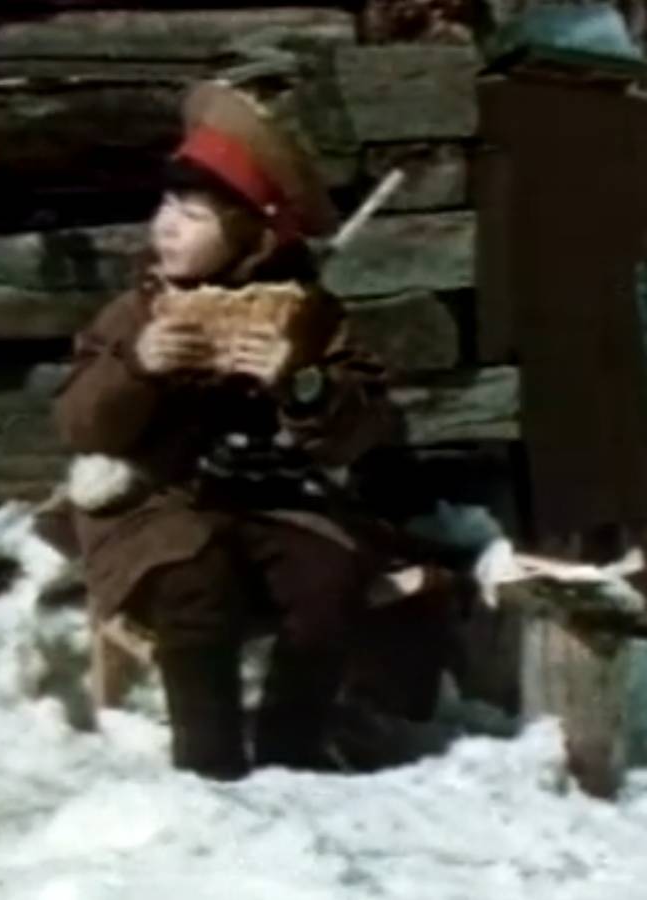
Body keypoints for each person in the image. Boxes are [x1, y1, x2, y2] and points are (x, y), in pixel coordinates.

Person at [44, 82, 458, 780]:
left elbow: (358, 428)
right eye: (166, 207)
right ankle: (208, 766)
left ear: (250, 233)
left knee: (328, 584)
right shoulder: (136, 313)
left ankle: (290, 755)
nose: (167, 227)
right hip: (158, 503)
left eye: (193, 216)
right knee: (195, 585)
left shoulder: (309, 316)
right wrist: (138, 367)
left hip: (280, 502)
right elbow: (79, 423)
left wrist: (301, 384)